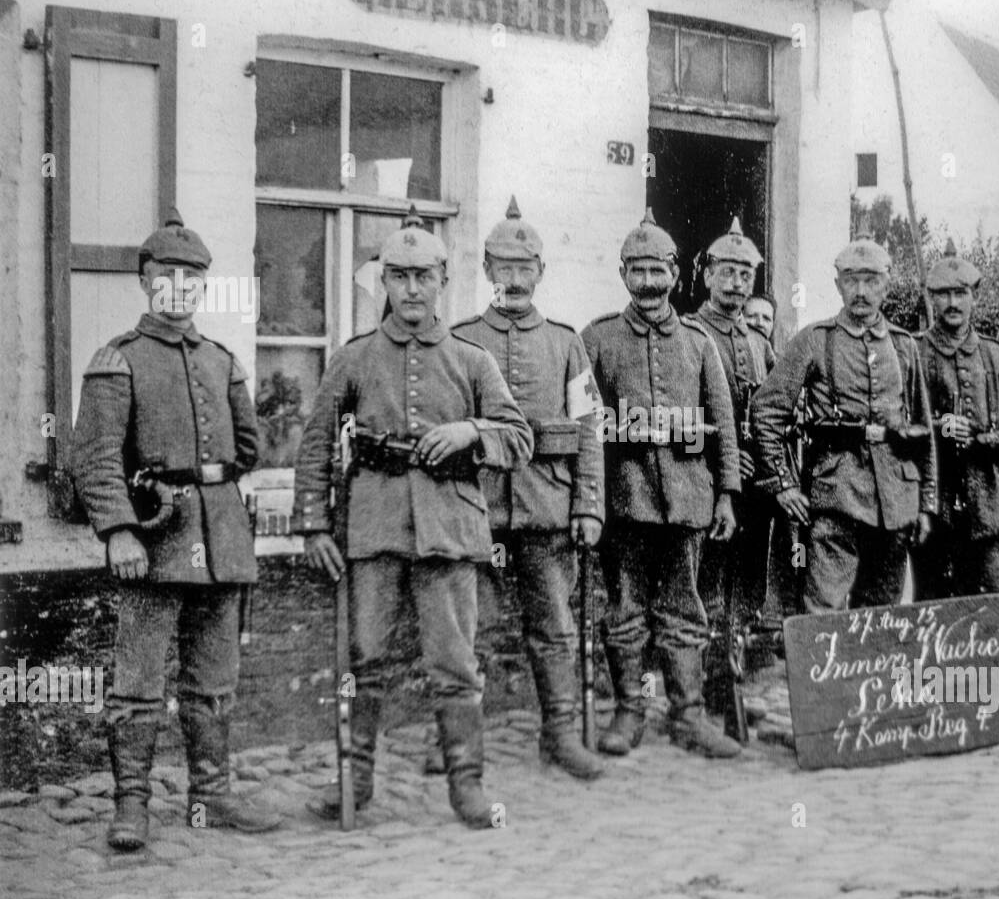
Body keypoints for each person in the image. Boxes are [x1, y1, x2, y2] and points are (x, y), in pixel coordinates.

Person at [293, 210, 532, 828]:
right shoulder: (353, 359)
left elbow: (519, 438)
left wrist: (469, 430)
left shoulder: (473, 361)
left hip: (449, 531)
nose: (411, 290)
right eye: (398, 277)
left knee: (455, 665)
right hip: (371, 528)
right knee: (363, 660)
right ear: (384, 283)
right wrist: (315, 526)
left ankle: (467, 787)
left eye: (423, 277)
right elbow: (317, 443)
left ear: (444, 279)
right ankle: (356, 782)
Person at [71, 209, 280, 852]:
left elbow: (249, 448)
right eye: (168, 276)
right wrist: (118, 530)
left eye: (193, 278)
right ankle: (130, 806)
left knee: (214, 680)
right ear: (145, 281)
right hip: (153, 541)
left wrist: (211, 484)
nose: (181, 288)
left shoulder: (221, 361)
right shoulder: (118, 360)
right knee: (137, 684)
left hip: (220, 539)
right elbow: (96, 457)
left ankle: (210, 796)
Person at [450, 197, 606, 779]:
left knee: (555, 628)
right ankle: (462, 743)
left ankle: (560, 735)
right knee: (471, 629)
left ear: (540, 272)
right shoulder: (460, 339)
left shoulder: (568, 343)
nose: (514, 279)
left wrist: (589, 505)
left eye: (525, 267)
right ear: (487, 270)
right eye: (503, 267)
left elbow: (591, 429)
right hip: (478, 509)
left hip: (547, 508)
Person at [580, 209, 743, 759]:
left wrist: (726, 494)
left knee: (684, 609)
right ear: (623, 273)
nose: (649, 283)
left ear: (676, 273)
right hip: (623, 501)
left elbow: (723, 424)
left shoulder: (700, 343)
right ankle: (628, 711)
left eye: (658, 271)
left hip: (689, 501)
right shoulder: (596, 339)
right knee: (625, 610)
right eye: (637, 271)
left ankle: (690, 716)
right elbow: (583, 423)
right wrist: (593, 491)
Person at [752, 237, 937, 612]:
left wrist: (927, 502)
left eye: (871, 281)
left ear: (887, 285)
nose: (861, 291)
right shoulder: (815, 341)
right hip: (836, 495)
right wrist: (784, 484)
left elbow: (923, 429)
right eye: (851, 281)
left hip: (896, 499)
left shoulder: (903, 346)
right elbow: (766, 412)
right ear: (838, 285)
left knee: (882, 613)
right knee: (823, 610)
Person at [912, 254, 999, 606]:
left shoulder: (995, 355)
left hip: (991, 509)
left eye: (961, 293)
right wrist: (938, 427)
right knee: (935, 613)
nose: (953, 303)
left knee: (997, 610)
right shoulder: (913, 352)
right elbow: (902, 425)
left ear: (974, 297)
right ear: (931, 297)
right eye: (944, 294)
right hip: (936, 510)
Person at [691, 219, 777, 720]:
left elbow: (771, 411)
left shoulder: (759, 342)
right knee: (709, 586)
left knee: (746, 588)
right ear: (706, 275)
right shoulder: (690, 332)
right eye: (726, 272)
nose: (736, 283)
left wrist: (761, 462)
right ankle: (708, 686)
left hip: (754, 490)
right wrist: (723, 460)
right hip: (710, 485)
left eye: (745, 274)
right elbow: (687, 414)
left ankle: (734, 682)